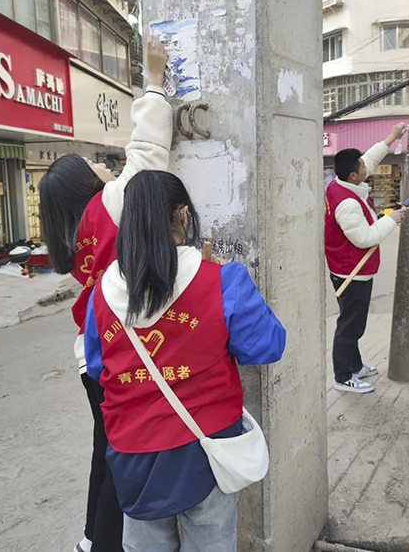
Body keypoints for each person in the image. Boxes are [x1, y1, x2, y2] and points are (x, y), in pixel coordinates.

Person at [84, 170, 287, 552]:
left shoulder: (102, 294)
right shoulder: (224, 281)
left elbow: (97, 369)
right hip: (205, 451)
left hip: (133, 454)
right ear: (183, 216)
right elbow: (267, 347)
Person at [39, 37, 172, 552]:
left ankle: (93, 539)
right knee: (121, 456)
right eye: (88, 163)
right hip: (118, 354)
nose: (100, 165)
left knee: (107, 448)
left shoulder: (75, 240)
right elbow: (147, 155)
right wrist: (154, 82)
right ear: (84, 184)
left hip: (90, 358)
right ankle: (109, 543)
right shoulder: (113, 204)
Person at [325, 124, 408, 394]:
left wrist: (393, 137)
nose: (366, 166)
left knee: (355, 323)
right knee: (349, 326)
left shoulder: (341, 184)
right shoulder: (347, 203)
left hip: (349, 269)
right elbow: (364, 238)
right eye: (361, 166)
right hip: (352, 273)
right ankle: (342, 377)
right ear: (353, 175)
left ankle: (355, 364)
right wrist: (390, 219)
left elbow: (370, 158)